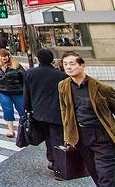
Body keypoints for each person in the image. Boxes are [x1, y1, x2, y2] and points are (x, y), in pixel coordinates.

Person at [59, 52, 115, 186]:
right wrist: (68, 135)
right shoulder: (63, 86)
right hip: (80, 136)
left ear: (82, 65)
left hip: (102, 136)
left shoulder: (101, 88)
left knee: (106, 177)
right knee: (95, 173)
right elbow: (64, 110)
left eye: (72, 64)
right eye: (65, 64)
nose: (68, 67)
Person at [23, 48, 68, 172]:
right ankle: (60, 164)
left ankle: (52, 159)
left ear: (38, 59)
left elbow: (27, 93)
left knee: (48, 137)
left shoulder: (30, 73)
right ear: (52, 60)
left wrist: (27, 108)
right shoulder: (61, 75)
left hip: (39, 112)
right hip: (56, 111)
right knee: (58, 138)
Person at [0, 48, 25, 138]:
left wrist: (26, 90)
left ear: (9, 56)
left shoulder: (16, 65)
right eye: (2, 56)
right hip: (2, 91)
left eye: (5, 56)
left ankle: (24, 129)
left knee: (22, 110)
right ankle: (11, 130)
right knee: (7, 110)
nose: (4, 58)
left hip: (17, 91)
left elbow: (24, 78)